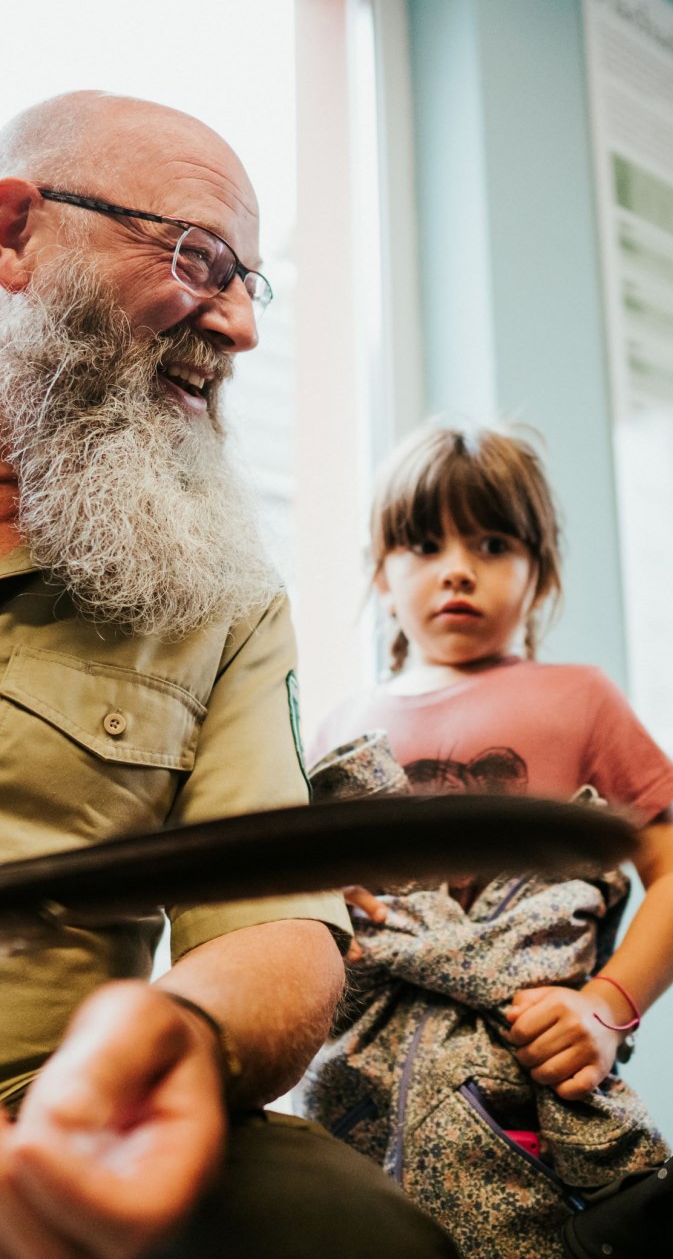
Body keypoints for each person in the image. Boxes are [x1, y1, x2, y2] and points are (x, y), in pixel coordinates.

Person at [0, 90, 456, 1259]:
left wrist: (159, 1049)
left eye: (252, 280)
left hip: (59, 1108)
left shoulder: (227, 601)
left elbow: (276, 935)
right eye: (200, 259)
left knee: (364, 1237)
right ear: (14, 233)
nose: (242, 327)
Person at [297, 423, 673, 1256]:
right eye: (422, 542)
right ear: (379, 568)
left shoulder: (580, 699)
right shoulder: (341, 726)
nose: (456, 568)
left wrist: (606, 1007)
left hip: (525, 1073)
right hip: (364, 1084)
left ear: (539, 570)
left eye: (492, 541)